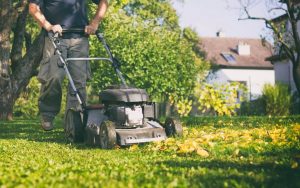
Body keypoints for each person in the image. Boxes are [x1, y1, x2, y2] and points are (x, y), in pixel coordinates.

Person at [29, 0, 108, 131]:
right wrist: (48, 26)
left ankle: (75, 122)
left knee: (78, 81)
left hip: (80, 38)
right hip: (55, 37)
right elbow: (33, 8)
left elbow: (103, 2)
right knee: (54, 77)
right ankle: (47, 114)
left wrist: (94, 24)